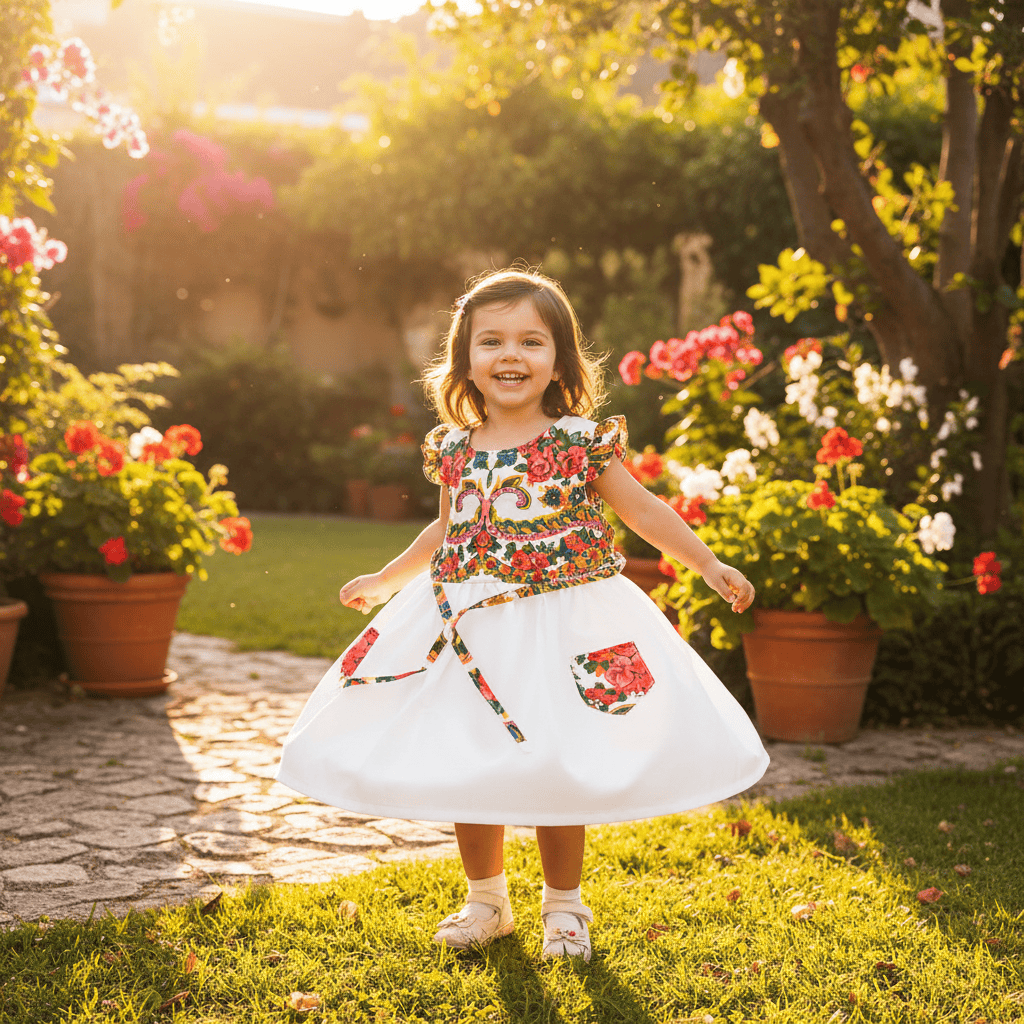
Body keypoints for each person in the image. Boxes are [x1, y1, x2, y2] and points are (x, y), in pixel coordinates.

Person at [275, 267, 769, 962]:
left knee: (558, 762)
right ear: (466, 359)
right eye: (492, 341)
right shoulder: (454, 446)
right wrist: (387, 579)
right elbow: (447, 529)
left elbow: (642, 510)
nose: (511, 355)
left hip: (563, 626)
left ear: (559, 361)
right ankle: (486, 901)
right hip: (468, 626)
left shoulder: (578, 441)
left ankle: (564, 908)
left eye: (531, 341)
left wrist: (707, 564)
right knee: (467, 758)